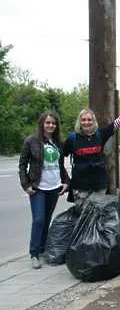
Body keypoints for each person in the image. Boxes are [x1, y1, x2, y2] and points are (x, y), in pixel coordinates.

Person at [63, 101, 120, 204]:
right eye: (83, 120)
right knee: (82, 217)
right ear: (79, 122)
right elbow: (60, 158)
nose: (86, 122)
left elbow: (118, 122)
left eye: (89, 120)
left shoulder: (100, 135)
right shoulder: (72, 138)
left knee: (98, 216)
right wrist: (65, 179)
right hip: (80, 187)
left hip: (99, 185)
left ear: (94, 122)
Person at [19, 111, 70, 269]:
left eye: (53, 123)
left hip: (54, 187)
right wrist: (26, 185)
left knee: (47, 219)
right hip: (38, 187)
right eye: (48, 123)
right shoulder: (31, 141)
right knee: (39, 219)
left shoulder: (58, 142)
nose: (50, 125)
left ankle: (42, 250)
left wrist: (66, 182)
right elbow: (22, 165)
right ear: (42, 124)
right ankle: (34, 254)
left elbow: (60, 165)